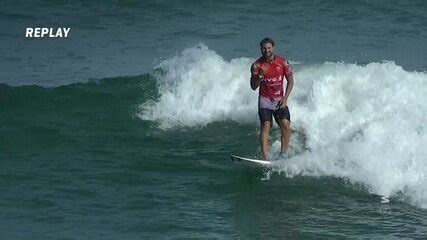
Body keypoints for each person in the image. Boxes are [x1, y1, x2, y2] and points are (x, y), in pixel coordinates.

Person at [250, 37, 294, 160]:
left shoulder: (283, 62)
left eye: (269, 48)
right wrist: (260, 75)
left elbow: (290, 81)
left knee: (285, 126)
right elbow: (253, 86)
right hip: (265, 99)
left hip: (279, 99)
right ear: (261, 49)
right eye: (264, 48)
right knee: (266, 125)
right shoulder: (257, 65)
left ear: (273, 48)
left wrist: (285, 99)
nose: (267, 51)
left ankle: (283, 155)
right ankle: (265, 156)